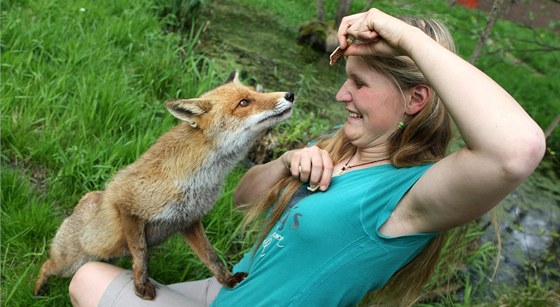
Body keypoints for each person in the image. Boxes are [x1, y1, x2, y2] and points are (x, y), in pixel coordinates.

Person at [68, 8, 546, 307]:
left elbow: (516, 150)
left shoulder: (414, 194)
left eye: (359, 84)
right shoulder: (342, 146)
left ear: (415, 100)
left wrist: (403, 37)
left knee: (88, 279)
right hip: (233, 292)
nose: (341, 94)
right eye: (347, 79)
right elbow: (240, 199)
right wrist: (284, 162)